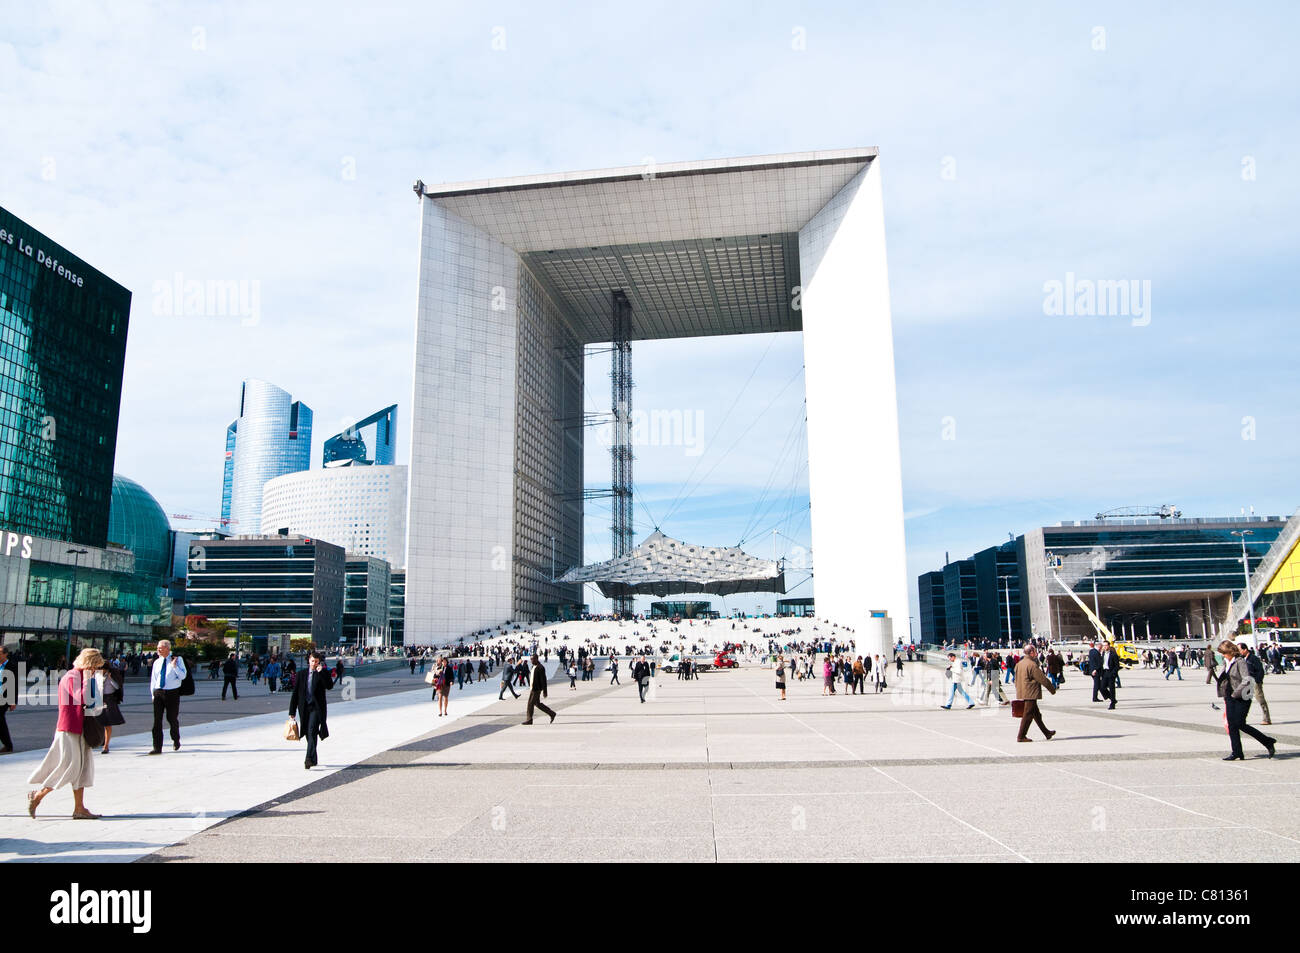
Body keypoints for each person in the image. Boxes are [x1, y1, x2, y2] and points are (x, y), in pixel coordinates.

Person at [27, 648, 104, 819]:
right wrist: (88, 679)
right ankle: (38, 795)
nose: (95, 670)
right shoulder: (72, 677)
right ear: (89, 664)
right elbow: (83, 698)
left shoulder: (80, 676)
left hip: (80, 727)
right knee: (69, 767)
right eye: (95, 667)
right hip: (69, 728)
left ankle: (79, 808)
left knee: (82, 768)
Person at [1216, 641, 1275, 761]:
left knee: (1239, 723)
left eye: (1224, 653)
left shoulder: (1240, 661)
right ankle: (1237, 752)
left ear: (1230, 651)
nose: (1223, 655)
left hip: (1242, 696)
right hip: (1230, 696)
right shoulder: (1226, 662)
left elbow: (1247, 679)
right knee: (1232, 725)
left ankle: (1267, 741)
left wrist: (1235, 693)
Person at [289, 651, 334, 769]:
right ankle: (314, 758)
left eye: (316, 662)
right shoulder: (301, 674)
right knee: (310, 735)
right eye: (312, 661)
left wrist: (322, 672)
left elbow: (329, 686)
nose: (314, 664)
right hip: (304, 708)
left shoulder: (322, 673)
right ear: (309, 660)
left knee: (312, 729)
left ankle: (308, 759)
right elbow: (295, 694)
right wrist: (292, 712)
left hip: (317, 708)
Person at [149, 639, 187, 755]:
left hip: (172, 693)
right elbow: (153, 680)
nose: (158, 650)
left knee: (171, 718)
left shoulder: (177, 659)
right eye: (158, 648)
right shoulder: (157, 662)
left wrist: (174, 666)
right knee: (157, 721)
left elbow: (183, 676)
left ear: (167, 648)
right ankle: (157, 747)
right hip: (158, 693)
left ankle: (176, 739)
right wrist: (153, 694)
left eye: (160, 648)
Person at [1013, 644, 1057, 743]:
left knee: (1036, 714)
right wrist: (1052, 689)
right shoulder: (1032, 665)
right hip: (1030, 692)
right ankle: (1021, 736)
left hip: (1023, 691)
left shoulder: (1019, 664)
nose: (1036, 653)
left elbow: (1015, 679)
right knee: (1028, 714)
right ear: (1031, 653)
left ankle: (1046, 733)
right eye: (1035, 651)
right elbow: (1042, 679)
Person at [96, 655, 126, 754]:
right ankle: (99, 740)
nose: (100, 671)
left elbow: (118, 686)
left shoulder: (113, 674)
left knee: (107, 723)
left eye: (102, 669)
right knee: (97, 721)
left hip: (109, 699)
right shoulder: (97, 675)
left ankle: (106, 745)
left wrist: (111, 679)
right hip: (99, 699)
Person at [1237, 643, 1271, 725]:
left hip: (1254, 682)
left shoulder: (1253, 658)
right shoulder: (1241, 659)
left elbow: (1260, 671)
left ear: (1245, 649)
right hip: (1246, 683)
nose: (1239, 652)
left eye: (1239, 650)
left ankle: (1266, 718)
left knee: (1260, 700)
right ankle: (1242, 719)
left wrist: (1257, 681)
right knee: (1244, 701)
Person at [522, 654, 556, 725]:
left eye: (533, 659)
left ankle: (529, 719)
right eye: (531, 659)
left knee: (530, 704)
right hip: (532, 688)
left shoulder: (540, 667)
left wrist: (545, 691)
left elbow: (543, 680)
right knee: (537, 704)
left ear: (537, 659)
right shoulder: (533, 667)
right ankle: (552, 713)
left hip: (536, 689)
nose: (531, 660)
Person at [0, 645, 18, 752]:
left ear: (6, 654)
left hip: (5, 698)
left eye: (0, 652)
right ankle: (7, 745)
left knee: (0, 719)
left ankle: (8, 745)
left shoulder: (12, 666)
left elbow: (14, 685)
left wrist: (13, 701)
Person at [1100, 643, 1120, 709]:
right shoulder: (1103, 654)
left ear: (1109, 646)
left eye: (1106, 645)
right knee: (1102, 687)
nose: (1105, 647)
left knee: (1112, 688)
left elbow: (1117, 666)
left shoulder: (1113, 654)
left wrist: (1113, 673)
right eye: (1104, 645)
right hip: (1104, 672)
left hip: (1111, 672)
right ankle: (1112, 699)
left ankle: (1112, 703)